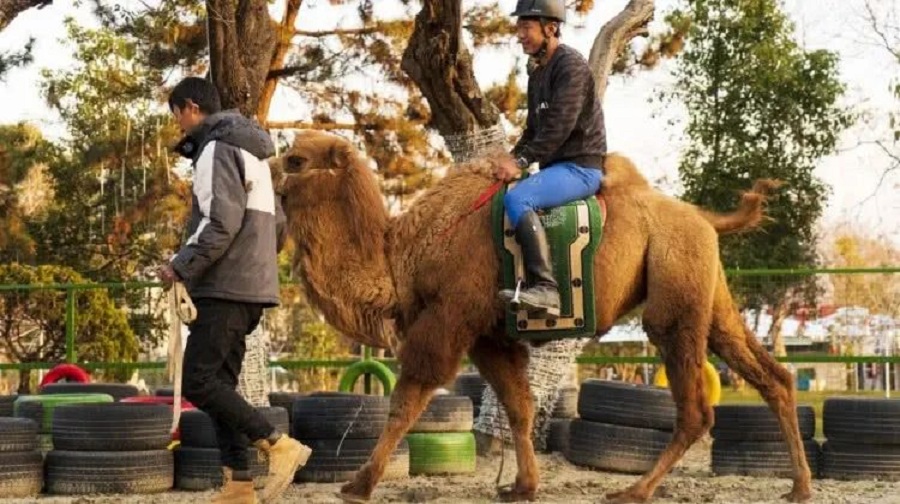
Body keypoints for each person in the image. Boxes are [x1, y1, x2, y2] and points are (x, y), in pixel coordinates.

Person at [157, 76, 309, 504]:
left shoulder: (215, 149)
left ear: (189, 108)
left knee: (200, 382)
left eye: (177, 117)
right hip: (254, 285)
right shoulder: (255, 153)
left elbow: (219, 222)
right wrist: (255, 263)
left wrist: (179, 265)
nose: (179, 127)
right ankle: (238, 483)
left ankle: (278, 444)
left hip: (224, 286)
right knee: (221, 382)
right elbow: (277, 226)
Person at [496, 0, 607, 319]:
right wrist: (512, 159)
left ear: (551, 28)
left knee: (518, 200)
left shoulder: (570, 66)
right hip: (556, 168)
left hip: (581, 168)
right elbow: (533, 131)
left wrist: (519, 163)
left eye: (526, 27)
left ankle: (546, 288)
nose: (520, 35)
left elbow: (559, 126)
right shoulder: (537, 74)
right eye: (518, 28)